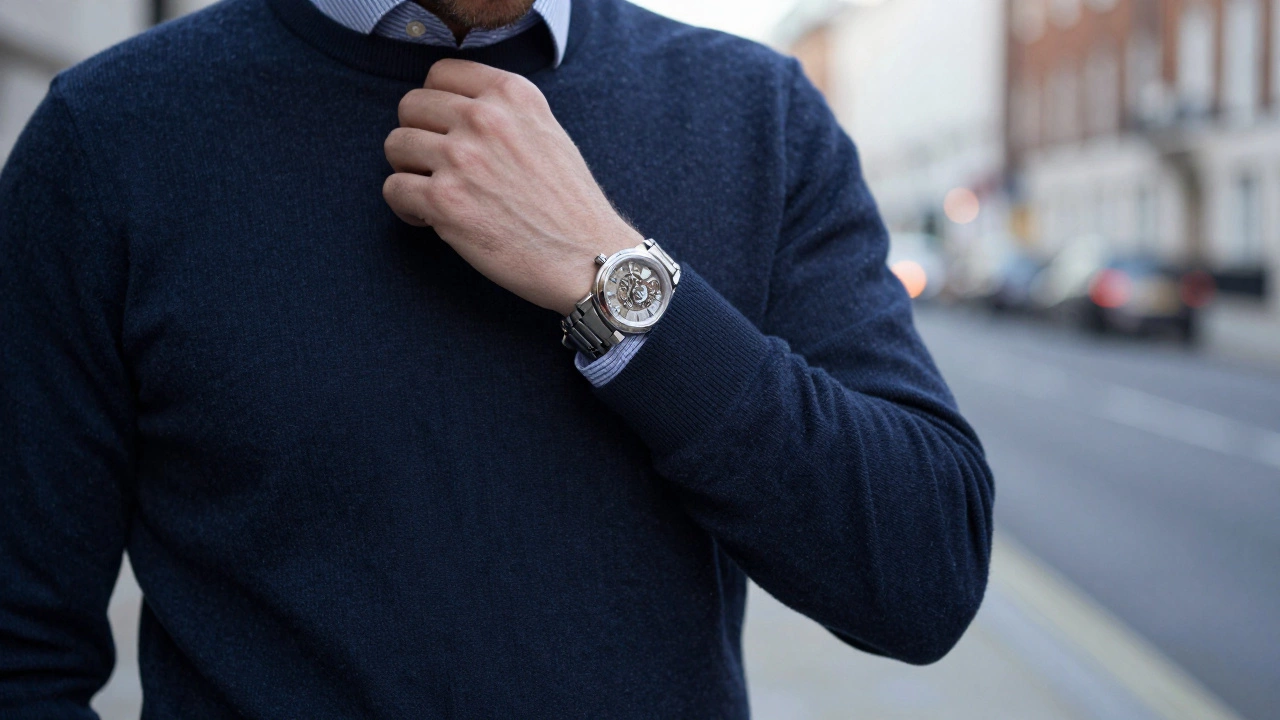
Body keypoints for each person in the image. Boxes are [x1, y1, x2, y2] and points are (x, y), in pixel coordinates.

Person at [0, 0, 995, 716]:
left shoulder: (754, 116)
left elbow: (922, 574)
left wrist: (612, 284)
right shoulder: (111, 140)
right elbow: (21, 653)